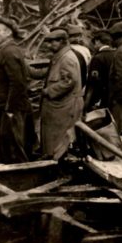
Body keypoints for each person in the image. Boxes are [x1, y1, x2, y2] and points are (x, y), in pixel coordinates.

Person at [0, 16, 35, 163]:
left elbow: (18, 83)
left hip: (11, 109)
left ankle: (22, 174)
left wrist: (10, 109)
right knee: (8, 146)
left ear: (8, 33)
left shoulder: (9, 52)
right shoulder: (6, 50)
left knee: (13, 147)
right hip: (5, 107)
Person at [40, 29, 83, 159]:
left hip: (65, 106)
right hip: (60, 106)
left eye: (52, 42)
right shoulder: (60, 57)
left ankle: (57, 161)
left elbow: (69, 81)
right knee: (55, 138)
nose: (49, 45)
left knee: (61, 139)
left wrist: (48, 91)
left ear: (62, 41)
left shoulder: (66, 58)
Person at [84, 30, 115, 112]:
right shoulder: (115, 54)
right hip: (112, 96)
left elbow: (94, 82)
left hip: (100, 99)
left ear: (98, 41)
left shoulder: (98, 58)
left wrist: (89, 102)